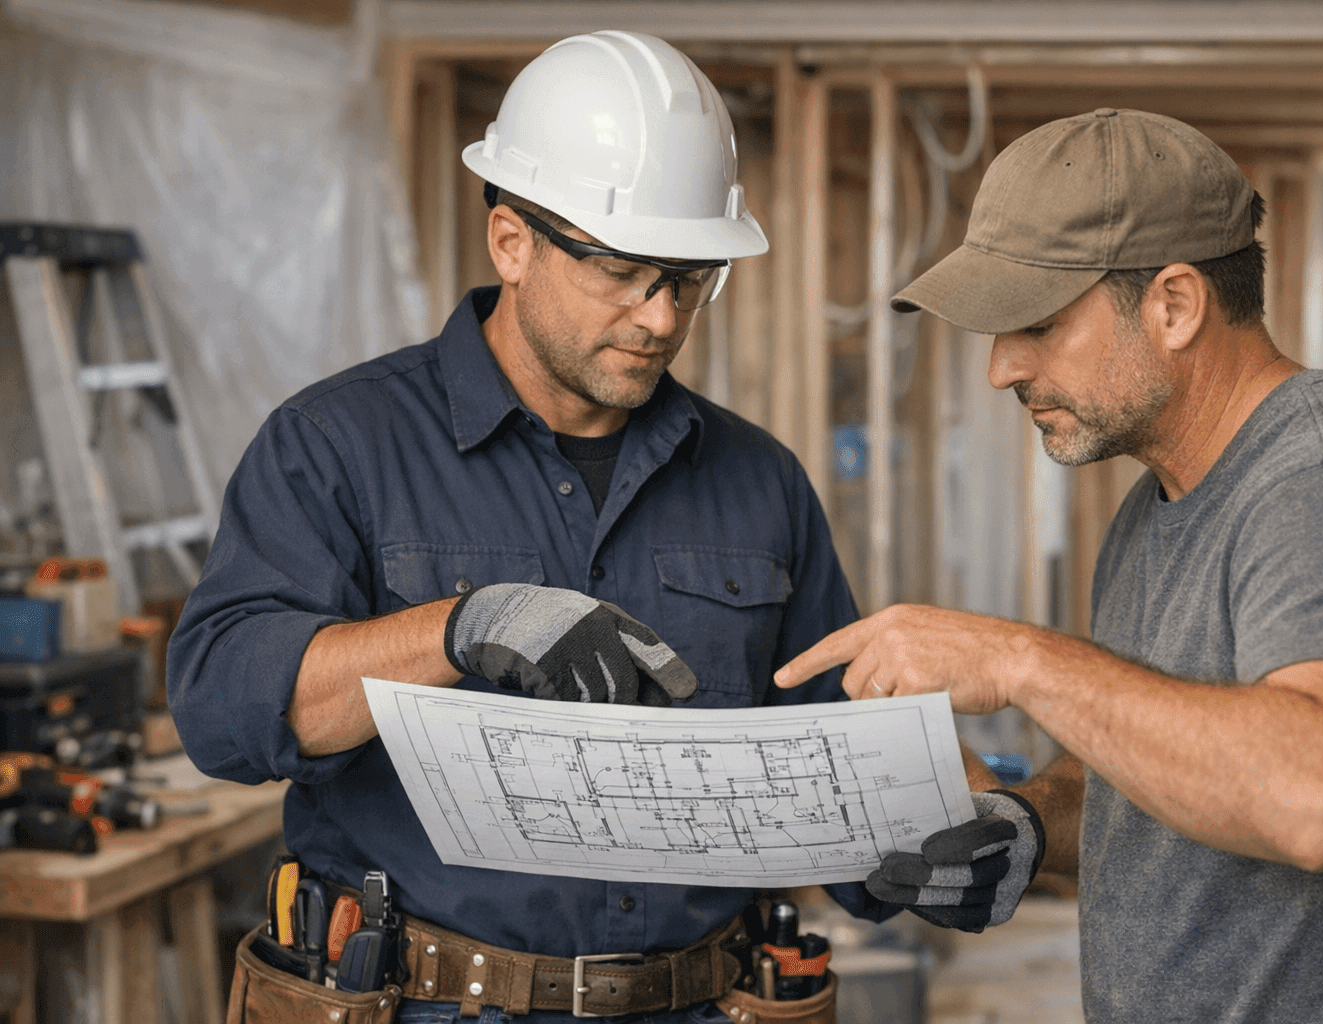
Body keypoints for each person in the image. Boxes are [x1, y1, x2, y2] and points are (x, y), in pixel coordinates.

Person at [169, 31, 892, 1023]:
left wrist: (934, 844)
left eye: (689, 279)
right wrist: (460, 629)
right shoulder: (337, 444)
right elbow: (221, 708)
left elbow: (837, 774)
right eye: (627, 271)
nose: (661, 316)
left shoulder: (759, 481)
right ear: (512, 241)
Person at [776, 108, 1323, 1022]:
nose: (1001, 368)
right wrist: (1028, 818)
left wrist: (1020, 660)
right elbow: (1164, 769)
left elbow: (1321, 798)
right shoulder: (1152, 510)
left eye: (1037, 324)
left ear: (1174, 304)